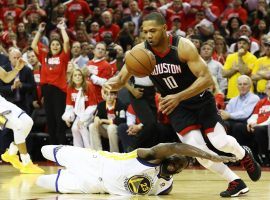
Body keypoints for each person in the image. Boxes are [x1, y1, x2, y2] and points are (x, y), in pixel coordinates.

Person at [103, 12, 261, 197]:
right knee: (197, 150)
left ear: (164, 28)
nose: (148, 35)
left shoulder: (182, 47)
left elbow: (206, 79)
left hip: (200, 100)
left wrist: (178, 96)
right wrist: (109, 85)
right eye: (145, 31)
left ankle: (244, 154)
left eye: (153, 31)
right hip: (176, 107)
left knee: (220, 142)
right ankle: (235, 182)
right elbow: (121, 78)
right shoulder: (140, 52)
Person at [36, 142, 237, 195]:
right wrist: (210, 156)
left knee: (40, 182)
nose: (175, 164)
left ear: (180, 171)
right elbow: (175, 146)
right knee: (45, 149)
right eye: (174, 159)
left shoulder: (165, 187)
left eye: (179, 165)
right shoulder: (150, 156)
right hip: (94, 161)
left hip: (92, 186)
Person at [0, 57, 44, 174]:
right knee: (18, 125)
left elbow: (6, 77)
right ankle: (26, 162)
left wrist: (17, 69)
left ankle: (11, 153)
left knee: (28, 122)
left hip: (1, 102)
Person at [31, 19, 70, 145]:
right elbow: (33, 45)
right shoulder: (44, 56)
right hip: (46, 91)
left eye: (57, 44)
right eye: (53, 44)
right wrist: (40, 31)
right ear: (50, 46)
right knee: (50, 121)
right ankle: (53, 149)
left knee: (59, 121)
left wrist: (62, 28)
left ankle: (61, 148)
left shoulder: (63, 57)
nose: (55, 46)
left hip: (59, 91)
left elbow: (67, 42)